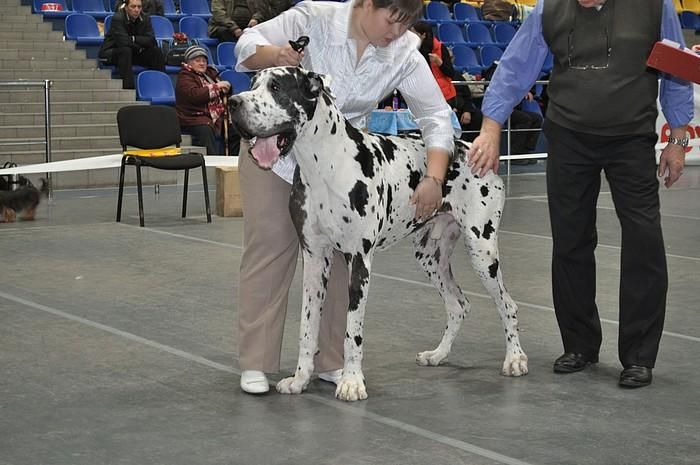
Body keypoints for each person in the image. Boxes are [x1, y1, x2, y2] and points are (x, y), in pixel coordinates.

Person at [233, 0, 456, 394]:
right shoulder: (314, 17)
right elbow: (247, 43)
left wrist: (435, 178)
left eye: (406, 24)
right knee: (270, 248)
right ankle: (257, 362)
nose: (397, 32)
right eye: (392, 19)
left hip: (342, 162)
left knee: (343, 262)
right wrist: (277, 54)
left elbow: (436, 116)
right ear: (368, 3)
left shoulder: (404, 51)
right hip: (276, 150)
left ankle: (332, 361)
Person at [469, 0, 693, 388]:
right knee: (570, 240)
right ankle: (579, 345)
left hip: (631, 137)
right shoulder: (548, 8)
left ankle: (639, 356)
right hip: (569, 136)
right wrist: (491, 127)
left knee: (644, 240)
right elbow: (516, 67)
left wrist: (677, 137)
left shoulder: (656, 6)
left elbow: (677, 71)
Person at [175, 46, 240, 156]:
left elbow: (222, 92)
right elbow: (195, 96)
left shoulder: (210, 74)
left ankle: (233, 160)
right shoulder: (184, 76)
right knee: (205, 129)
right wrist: (217, 87)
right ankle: (211, 162)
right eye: (197, 60)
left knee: (235, 129)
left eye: (204, 61)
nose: (202, 63)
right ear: (189, 62)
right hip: (193, 116)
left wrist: (227, 88)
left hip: (215, 115)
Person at [99, 0, 165, 89]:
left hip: (132, 52)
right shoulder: (118, 18)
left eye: (139, 7)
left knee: (156, 51)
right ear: (126, 7)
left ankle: (161, 86)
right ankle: (129, 88)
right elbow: (123, 41)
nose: (136, 10)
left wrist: (134, 38)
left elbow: (151, 40)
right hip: (111, 52)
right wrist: (140, 46)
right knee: (125, 50)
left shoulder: (145, 18)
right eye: (133, 6)